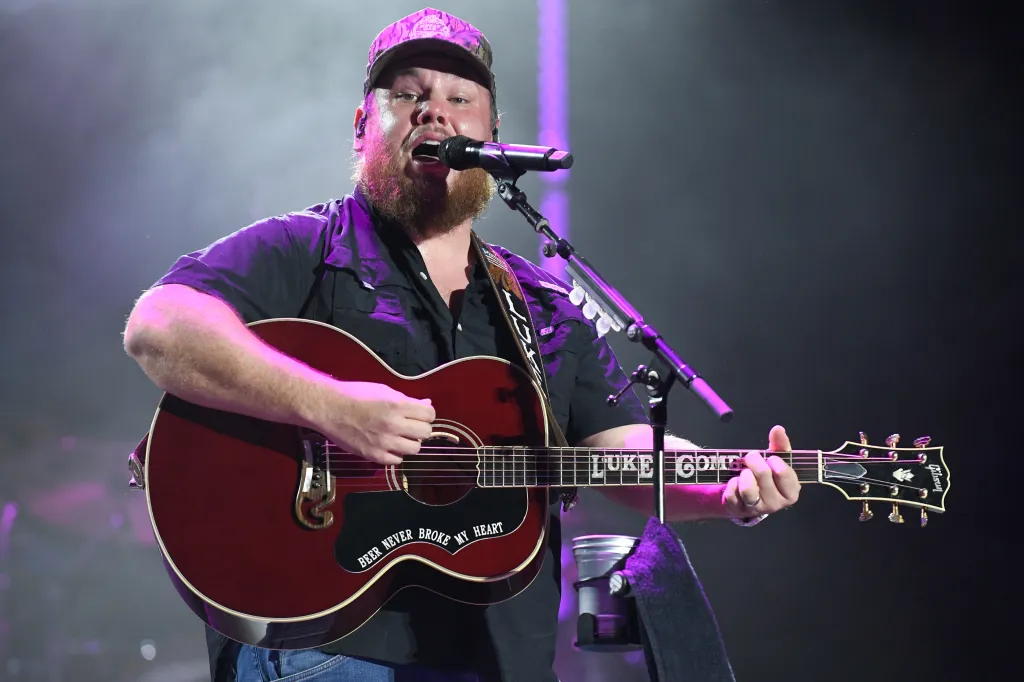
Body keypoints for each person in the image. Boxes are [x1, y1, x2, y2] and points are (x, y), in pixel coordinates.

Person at [122, 7, 801, 682]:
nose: (434, 113)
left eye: (459, 99)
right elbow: (160, 327)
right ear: (363, 127)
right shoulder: (307, 247)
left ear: (491, 135)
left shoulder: (541, 301)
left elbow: (614, 450)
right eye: (407, 95)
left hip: (502, 660)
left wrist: (726, 489)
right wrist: (331, 407)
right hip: (326, 648)